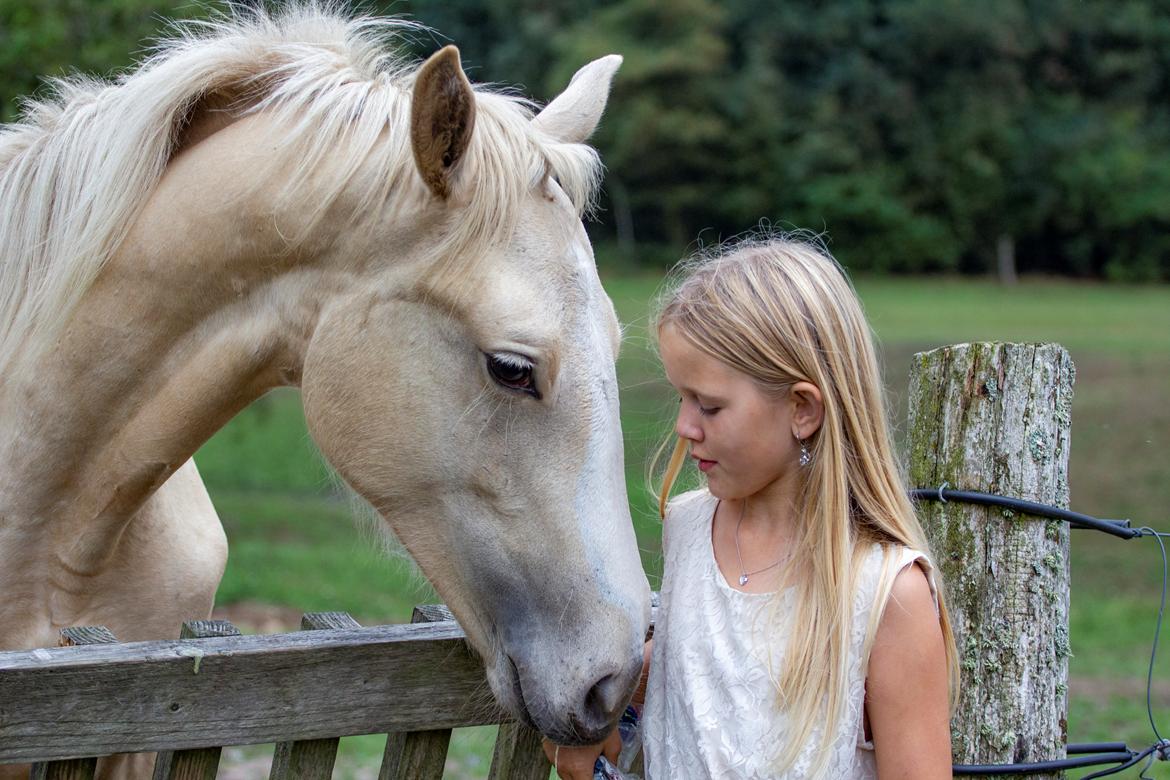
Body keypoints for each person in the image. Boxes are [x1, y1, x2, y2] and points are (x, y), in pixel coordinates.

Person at [544, 234, 958, 779]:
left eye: (709, 406)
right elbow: (698, 667)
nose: (684, 427)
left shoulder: (886, 595)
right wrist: (591, 716)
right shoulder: (689, 527)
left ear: (802, 409)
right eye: (681, 397)